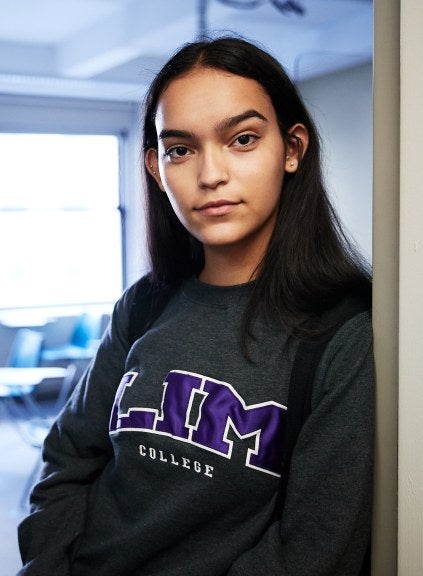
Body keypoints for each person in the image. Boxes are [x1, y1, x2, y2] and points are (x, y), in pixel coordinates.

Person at [17, 36, 374, 576]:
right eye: (180, 149)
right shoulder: (145, 305)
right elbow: (68, 459)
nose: (210, 175)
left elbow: (312, 550)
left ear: (293, 149)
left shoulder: (342, 333)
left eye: (243, 139)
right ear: (157, 170)